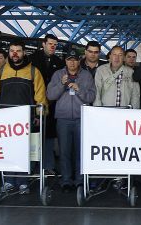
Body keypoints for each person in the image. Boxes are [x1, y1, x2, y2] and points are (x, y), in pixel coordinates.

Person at [0, 40, 48, 194]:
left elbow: (40, 97)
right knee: (6, 151)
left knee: (25, 152)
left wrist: (40, 114)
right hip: (5, 122)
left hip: (25, 121)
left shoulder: (33, 72)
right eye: (12, 50)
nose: (15, 53)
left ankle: (23, 182)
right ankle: (8, 181)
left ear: (24, 52)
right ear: (9, 53)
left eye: (18, 50)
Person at [46, 49, 96, 191]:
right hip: (63, 118)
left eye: (74, 59)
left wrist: (79, 89)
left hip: (82, 118)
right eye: (69, 59)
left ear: (79, 60)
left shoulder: (86, 76)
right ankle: (66, 180)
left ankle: (80, 180)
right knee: (65, 151)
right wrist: (62, 84)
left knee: (81, 151)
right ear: (65, 61)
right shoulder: (58, 75)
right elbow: (50, 96)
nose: (72, 62)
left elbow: (91, 97)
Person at [29, 35, 65, 175]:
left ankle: (48, 165)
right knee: (33, 136)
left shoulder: (58, 62)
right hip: (34, 103)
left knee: (49, 136)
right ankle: (31, 166)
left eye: (55, 45)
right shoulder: (31, 60)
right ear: (43, 44)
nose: (53, 47)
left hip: (51, 104)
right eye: (50, 44)